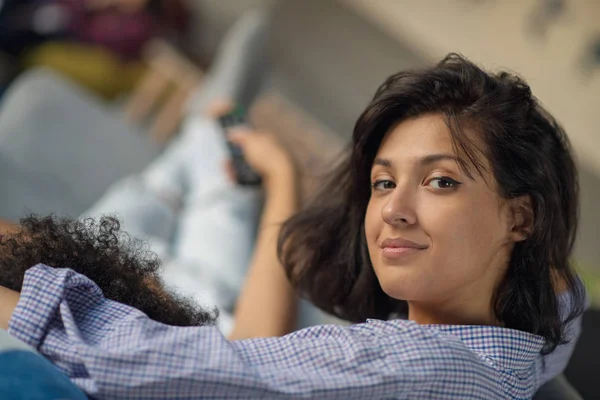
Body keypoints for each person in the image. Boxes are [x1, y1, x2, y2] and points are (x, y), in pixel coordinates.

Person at [0, 54, 586, 399]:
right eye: (383, 182)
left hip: (188, 315)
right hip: (215, 311)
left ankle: (213, 135)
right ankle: (213, 138)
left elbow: (194, 371)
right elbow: (563, 291)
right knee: (189, 193)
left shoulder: (412, 366)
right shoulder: (530, 340)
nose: (393, 210)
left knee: (170, 200)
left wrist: (284, 187)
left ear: (520, 216)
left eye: (440, 182)